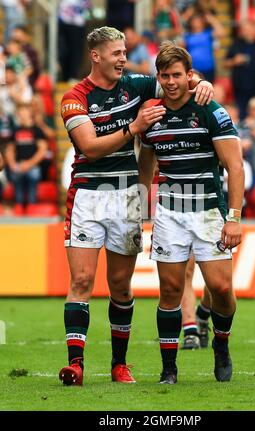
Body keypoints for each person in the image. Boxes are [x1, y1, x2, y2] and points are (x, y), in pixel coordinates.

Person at [59, 26, 214, 386]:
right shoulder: (74, 97)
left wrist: (200, 81)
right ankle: (76, 364)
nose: (123, 58)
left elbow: (177, 83)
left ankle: (119, 364)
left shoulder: (137, 85)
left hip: (127, 194)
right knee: (81, 279)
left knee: (120, 286)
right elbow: (91, 146)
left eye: (125, 52)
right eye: (116, 53)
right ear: (96, 56)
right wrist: (133, 128)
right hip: (87, 194)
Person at [139, 41, 244, 384]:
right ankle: (169, 369)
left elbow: (235, 166)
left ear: (189, 76)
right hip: (169, 214)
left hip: (209, 213)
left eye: (177, 75)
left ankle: (222, 344)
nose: (171, 82)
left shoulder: (209, 109)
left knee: (221, 287)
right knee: (169, 290)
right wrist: (142, 211)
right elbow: (146, 163)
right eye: (165, 75)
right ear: (158, 77)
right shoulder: (151, 114)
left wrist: (234, 217)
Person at [5, 103, 47, 212]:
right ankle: (18, 205)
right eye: (20, 112)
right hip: (18, 165)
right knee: (16, 175)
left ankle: (31, 205)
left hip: (33, 166)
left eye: (24, 111)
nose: (21, 114)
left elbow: (42, 150)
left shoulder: (37, 130)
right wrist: (13, 164)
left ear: (30, 113)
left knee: (33, 175)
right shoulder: (15, 130)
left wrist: (29, 164)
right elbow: (9, 150)